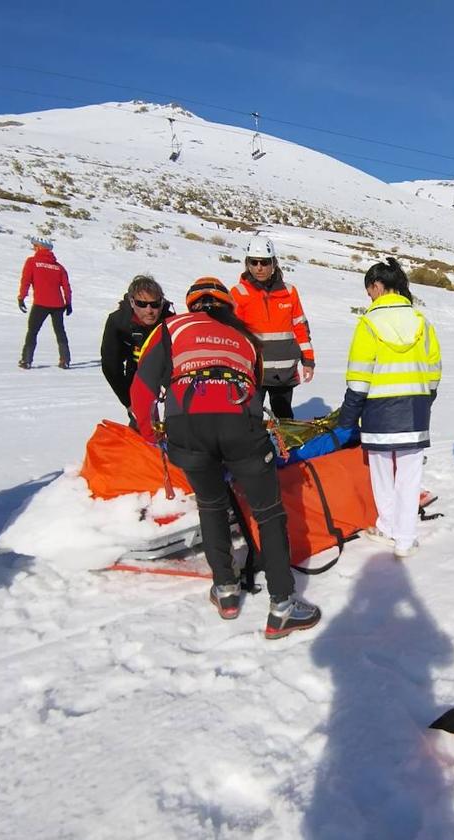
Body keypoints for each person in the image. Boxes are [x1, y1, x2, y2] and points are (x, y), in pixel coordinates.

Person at [129, 277, 320, 638]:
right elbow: (256, 387)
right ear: (227, 307)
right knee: (268, 511)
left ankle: (226, 591)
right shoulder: (245, 337)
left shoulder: (172, 327)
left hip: (187, 427)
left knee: (211, 505)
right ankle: (282, 605)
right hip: (240, 427)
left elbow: (142, 388)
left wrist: (150, 432)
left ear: (191, 305)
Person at [336, 258, 441, 560]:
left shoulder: (369, 324)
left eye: (369, 290)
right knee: (409, 478)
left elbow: (359, 378)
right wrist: (424, 400)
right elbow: (434, 371)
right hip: (415, 411)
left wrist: (346, 421)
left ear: (378, 287)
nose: (369, 297)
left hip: (378, 412)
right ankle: (405, 540)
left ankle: (386, 527)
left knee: (382, 474)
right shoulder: (422, 323)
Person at [230, 235, 314, 419]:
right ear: (247, 264)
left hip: (284, 373)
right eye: (254, 262)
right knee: (250, 419)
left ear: (273, 263)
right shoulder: (239, 293)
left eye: (264, 262)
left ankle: (286, 448)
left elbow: (300, 328)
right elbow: (234, 336)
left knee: (284, 419)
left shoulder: (289, 292)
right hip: (254, 373)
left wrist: (308, 361)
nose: (259, 267)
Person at [100, 274, 175, 414]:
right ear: (132, 302)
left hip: (167, 383)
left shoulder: (171, 322)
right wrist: (128, 402)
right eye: (142, 304)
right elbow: (111, 366)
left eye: (155, 304)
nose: (149, 310)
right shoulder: (119, 323)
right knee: (141, 426)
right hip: (135, 380)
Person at [17, 236, 72, 369]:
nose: (34, 248)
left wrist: (21, 297)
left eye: (35, 246)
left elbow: (26, 281)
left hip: (40, 304)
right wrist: (68, 303)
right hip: (58, 305)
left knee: (33, 331)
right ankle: (65, 360)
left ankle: (26, 360)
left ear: (40, 248)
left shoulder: (32, 262)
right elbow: (66, 287)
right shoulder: (59, 267)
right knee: (60, 332)